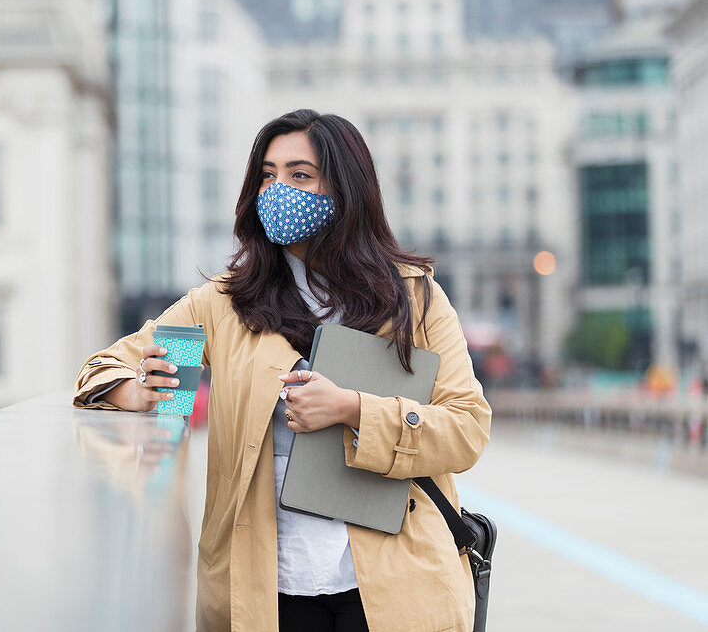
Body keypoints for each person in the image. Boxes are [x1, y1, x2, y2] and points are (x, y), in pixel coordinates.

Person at [73, 109, 491, 632]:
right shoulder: (222, 305)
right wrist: (135, 391)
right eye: (267, 175)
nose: (278, 190)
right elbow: (108, 366)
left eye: (299, 175)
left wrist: (354, 409)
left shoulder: (412, 297)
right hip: (267, 587)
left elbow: (467, 428)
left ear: (345, 189)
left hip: (392, 584)